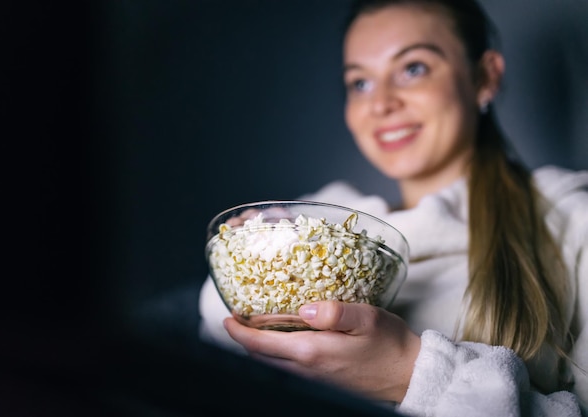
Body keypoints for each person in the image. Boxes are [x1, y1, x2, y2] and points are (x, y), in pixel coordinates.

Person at [198, 0, 588, 415]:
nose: (380, 103)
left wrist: (406, 372)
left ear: (484, 76)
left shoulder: (569, 224)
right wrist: (247, 263)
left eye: (413, 68)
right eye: (360, 83)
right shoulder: (317, 226)